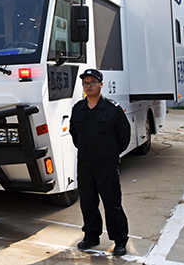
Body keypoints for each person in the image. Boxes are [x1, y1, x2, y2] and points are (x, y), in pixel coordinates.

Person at [69, 68, 131, 256]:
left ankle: (119, 240)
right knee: (87, 203)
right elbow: (74, 134)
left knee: (112, 203)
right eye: (85, 83)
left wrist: (111, 154)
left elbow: (124, 135)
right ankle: (91, 236)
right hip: (85, 165)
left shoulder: (112, 109)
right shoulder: (78, 108)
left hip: (107, 165)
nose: (88, 86)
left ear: (101, 85)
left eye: (92, 83)